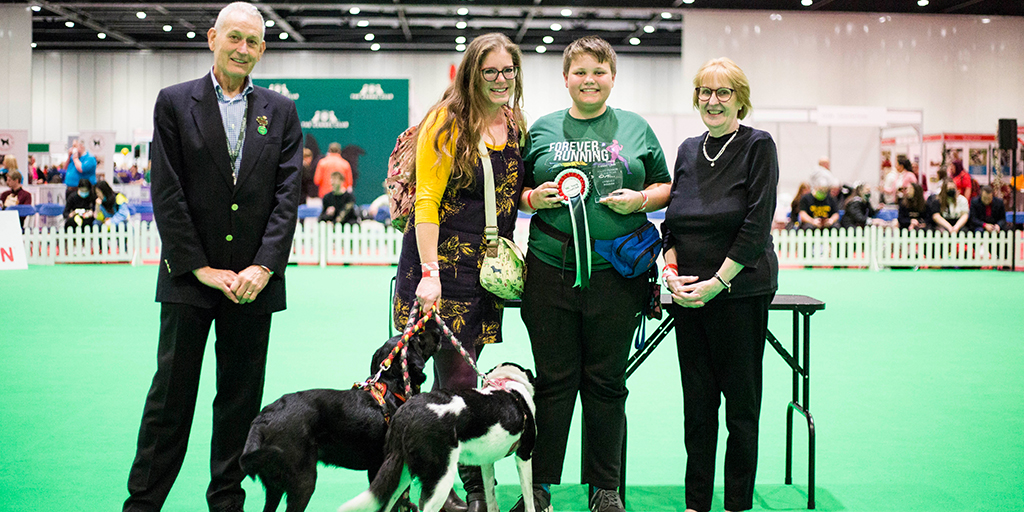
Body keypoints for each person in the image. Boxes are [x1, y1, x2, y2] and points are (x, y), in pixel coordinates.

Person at [122, 3, 302, 511]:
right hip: (188, 280)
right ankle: (142, 503)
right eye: (235, 38)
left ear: (263, 50)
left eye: (253, 42)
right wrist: (199, 266)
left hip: (252, 285)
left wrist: (263, 266)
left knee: (240, 406)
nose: (243, 49)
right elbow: (167, 190)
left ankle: (226, 500)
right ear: (212, 39)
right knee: (169, 403)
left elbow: (288, 196)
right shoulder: (174, 103)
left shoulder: (282, 111)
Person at [514, 35, 671, 512]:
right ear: (565, 79)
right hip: (549, 270)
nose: (589, 80)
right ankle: (537, 488)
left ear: (612, 77)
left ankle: (606, 490)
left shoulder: (637, 128)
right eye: (580, 72)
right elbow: (516, 188)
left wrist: (641, 200)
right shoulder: (540, 129)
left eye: (598, 72)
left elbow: (665, 184)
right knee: (554, 381)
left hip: (617, 276)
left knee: (606, 383)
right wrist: (532, 199)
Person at [391, 32, 527, 512]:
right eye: (489, 70)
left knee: (460, 381)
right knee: (434, 382)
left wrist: (536, 196)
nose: (500, 79)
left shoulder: (514, 123)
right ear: (471, 72)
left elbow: (510, 191)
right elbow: (426, 201)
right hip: (440, 268)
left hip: (483, 272)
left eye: (507, 70)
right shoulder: (447, 123)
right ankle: (428, 489)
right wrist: (430, 272)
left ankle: (450, 484)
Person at [662, 57, 779, 512]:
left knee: (741, 407)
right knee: (698, 406)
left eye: (723, 92)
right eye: (705, 92)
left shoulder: (758, 146)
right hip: (687, 295)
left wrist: (717, 283)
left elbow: (756, 225)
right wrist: (671, 274)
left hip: (739, 291)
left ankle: (736, 504)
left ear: (740, 99)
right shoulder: (689, 149)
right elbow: (670, 222)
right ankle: (696, 503)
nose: (713, 101)